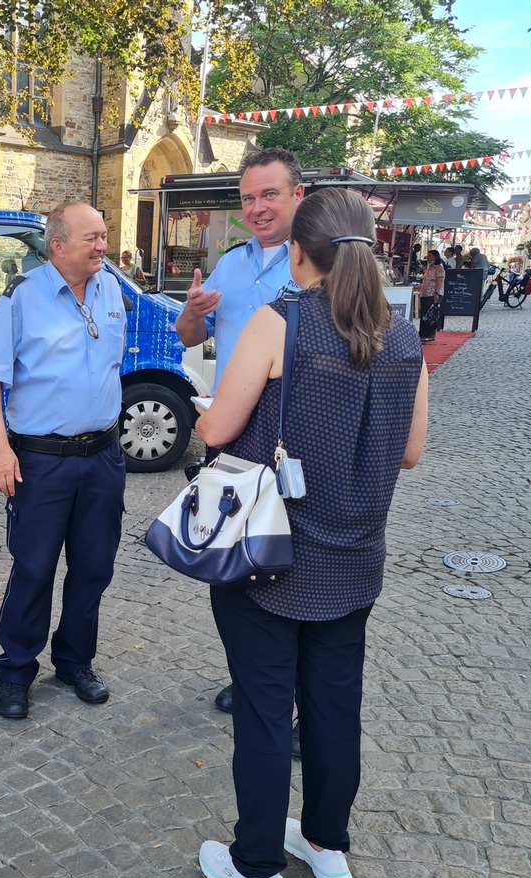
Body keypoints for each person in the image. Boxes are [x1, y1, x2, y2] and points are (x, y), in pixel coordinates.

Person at [193, 187, 428, 878]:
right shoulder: (406, 335)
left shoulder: (280, 323)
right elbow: (412, 452)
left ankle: (256, 866)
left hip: (272, 556)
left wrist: (216, 405)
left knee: (265, 713)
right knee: (334, 708)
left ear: (301, 252)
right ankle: (327, 845)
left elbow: (214, 432)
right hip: (357, 558)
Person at [0, 200, 126, 720]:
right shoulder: (24, 296)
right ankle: (17, 671)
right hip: (42, 462)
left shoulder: (112, 289)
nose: (103, 245)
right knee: (34, 568)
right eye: (92, 238)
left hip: (103, 457)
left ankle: (74, 660)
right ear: (57, 245)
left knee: (94, 568)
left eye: (104, 235)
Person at [175, 147, 304, 720]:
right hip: (229, 436)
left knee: (293, 567)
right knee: (232, 563)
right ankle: (250, 677)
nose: (257, 207)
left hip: (289, 440)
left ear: (298, 195)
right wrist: (193, 312)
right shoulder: (230, 263)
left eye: (269, 194)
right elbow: (188, 338)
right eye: (249, 197)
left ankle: (295, 697)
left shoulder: (317, 263)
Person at [417, 249, 445, 342]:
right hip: (425, 293)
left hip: (432, 294)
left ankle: (429, 334)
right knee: (424, 314)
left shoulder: (438, 268)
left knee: (430, 315)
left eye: (430, 256)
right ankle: (423, 334)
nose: (428, 257)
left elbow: (439, 281)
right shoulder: (430, 267)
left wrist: (436, 293)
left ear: (435, 257)